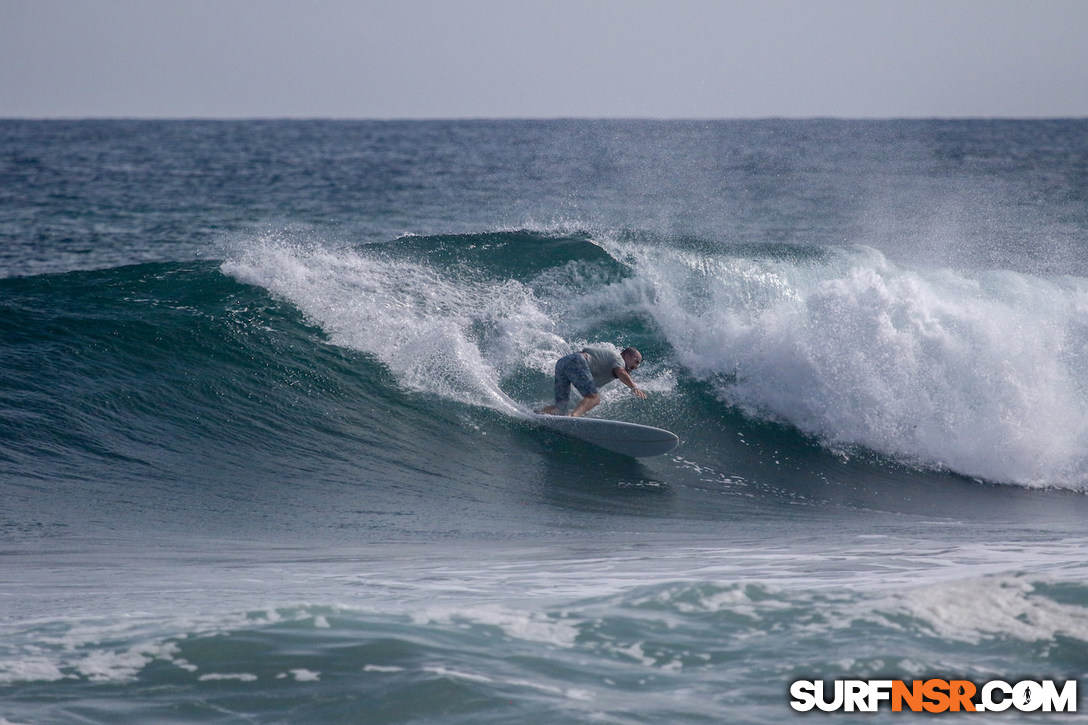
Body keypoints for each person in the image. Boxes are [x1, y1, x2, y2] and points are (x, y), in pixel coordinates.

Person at [537, 346, 646, 417]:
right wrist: (634, 387)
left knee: (561, 407)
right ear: (627, 356)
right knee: (594, 399)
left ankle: (538, 414)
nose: (636, 367)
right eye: (636, 361)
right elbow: (621, 372)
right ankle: (572, 418)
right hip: (577, 361)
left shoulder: (607, 366)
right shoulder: (619, 360)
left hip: (563, 362)